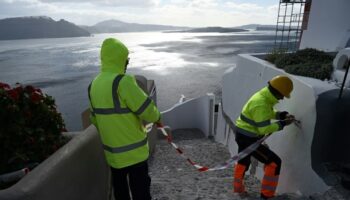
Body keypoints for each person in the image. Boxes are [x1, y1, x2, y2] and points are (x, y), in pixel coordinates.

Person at [88, 38, 162, 200]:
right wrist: (157, 117)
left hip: (113, 155)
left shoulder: (93, 85)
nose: (127, 63)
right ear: (121, 59)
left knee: (121, 192)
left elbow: (94, 119)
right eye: (127, 60)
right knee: (140, 192)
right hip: (135, 154)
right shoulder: (123, 82)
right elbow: (147, 111)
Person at [233, 75, 295, 199]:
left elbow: (265, 114)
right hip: (248, 139)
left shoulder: (263, 97)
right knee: (274, 162)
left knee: (243, 161)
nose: (282, 98)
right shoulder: (261, 103)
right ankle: (266, 196)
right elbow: (264, 129)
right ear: (277, 91)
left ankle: (238, 189)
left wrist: (280, 115)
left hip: (243, 134)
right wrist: (283, 123)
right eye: (282, 94)